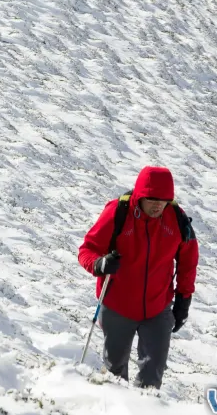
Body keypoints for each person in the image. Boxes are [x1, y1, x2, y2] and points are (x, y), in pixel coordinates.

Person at [78, 166, 199, 390]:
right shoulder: (118, 212)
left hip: (158, 307)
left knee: (153, 375)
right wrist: (99, 264)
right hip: (117, 306)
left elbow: (188, 260)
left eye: (163, 200)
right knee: (115, 372)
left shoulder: (177, 219)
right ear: (140, 195)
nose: (157, 205)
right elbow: (88, 249)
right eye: (152, 199)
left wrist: (184, 299)